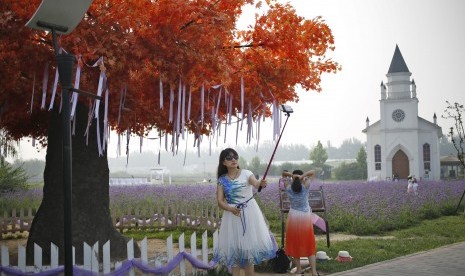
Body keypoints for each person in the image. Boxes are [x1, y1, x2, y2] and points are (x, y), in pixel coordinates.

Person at [213, 148, 276, 276]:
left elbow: (256, 184)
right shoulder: (222, 179)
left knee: (249, 253)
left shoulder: (247, 173)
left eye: (235, 157)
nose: (233, 159)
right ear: (223, 162)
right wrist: (230, 208)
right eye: (229, 158)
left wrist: (261, 184)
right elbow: (220, 201)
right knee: (234, 253)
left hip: (249, 214)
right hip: (231, 216)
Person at [282, 169, 318, 276]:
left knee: (295, 243)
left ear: (292, 179)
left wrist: (292, 175)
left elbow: (283, 174)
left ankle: (298, 270)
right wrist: (302, 176)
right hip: (305, 217)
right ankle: (314, 272)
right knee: (309, 243)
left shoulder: (288, 187)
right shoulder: (306, 186)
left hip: (293, 216)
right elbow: (313, 172)